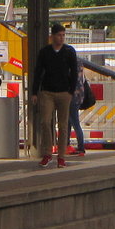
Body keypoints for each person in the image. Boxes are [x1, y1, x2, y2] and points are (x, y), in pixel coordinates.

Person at [31, 23, 79, 168]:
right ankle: (47, 153)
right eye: (59, 35)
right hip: (47, 92)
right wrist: (35, 92)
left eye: (63, 35)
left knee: (63, 125)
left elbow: (74, 71)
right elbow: (38, 72)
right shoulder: (45, 52)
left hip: (64, 92)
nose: (62, 38)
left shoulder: (69, 52)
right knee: (45, 121)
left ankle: (61, 156)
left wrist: (71, 90)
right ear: (52, 36)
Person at [68, 63, 88, 156]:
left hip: (71, 97)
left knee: (74, 122)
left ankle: (81, 147)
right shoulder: (79, 64)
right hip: (79, 96)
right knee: (70, 121)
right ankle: (67, 144)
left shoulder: (69, 65)